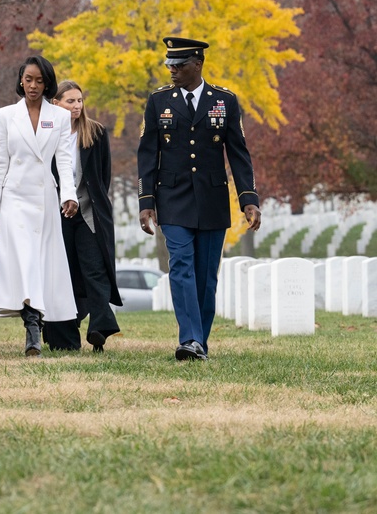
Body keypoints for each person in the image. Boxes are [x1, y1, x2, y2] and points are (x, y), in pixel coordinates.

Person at [138, 37, 262, 361]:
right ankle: (189, 339)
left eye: (179, 65)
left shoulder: (224, 101)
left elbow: (238, 153)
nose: (173, 71)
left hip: (212, 199)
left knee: (206, 277)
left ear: (198, 64)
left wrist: (248, 198)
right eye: (169, 65)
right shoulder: (158, 101)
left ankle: (199, 345)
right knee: (180, 266)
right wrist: (145, 201)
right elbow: (148, 153)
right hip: (173, 198)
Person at [0, 56, 79, 355]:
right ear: (20, 81)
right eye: (28, 79)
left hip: (45, 200)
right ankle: (32, 329)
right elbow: (1, 163)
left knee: (39, 264)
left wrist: (69, 195)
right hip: (14, 199)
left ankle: (35, 323)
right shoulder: (6, 115)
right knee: (25, 263)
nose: (33, 86)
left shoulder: (60, 117)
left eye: (39, 80)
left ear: (47, 83)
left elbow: (64, 161)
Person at [52, 80, 123, 352]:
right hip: (57, 214)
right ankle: (64, 332)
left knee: (95, 269)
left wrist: (90, 202)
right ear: (56, 104)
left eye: (79, 100)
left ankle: (99, 329)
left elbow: (103, 176)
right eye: (70, 101)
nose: (77, 106)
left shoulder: (95, 132)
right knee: (65, 272)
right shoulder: (48, 134)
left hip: (90, 213)